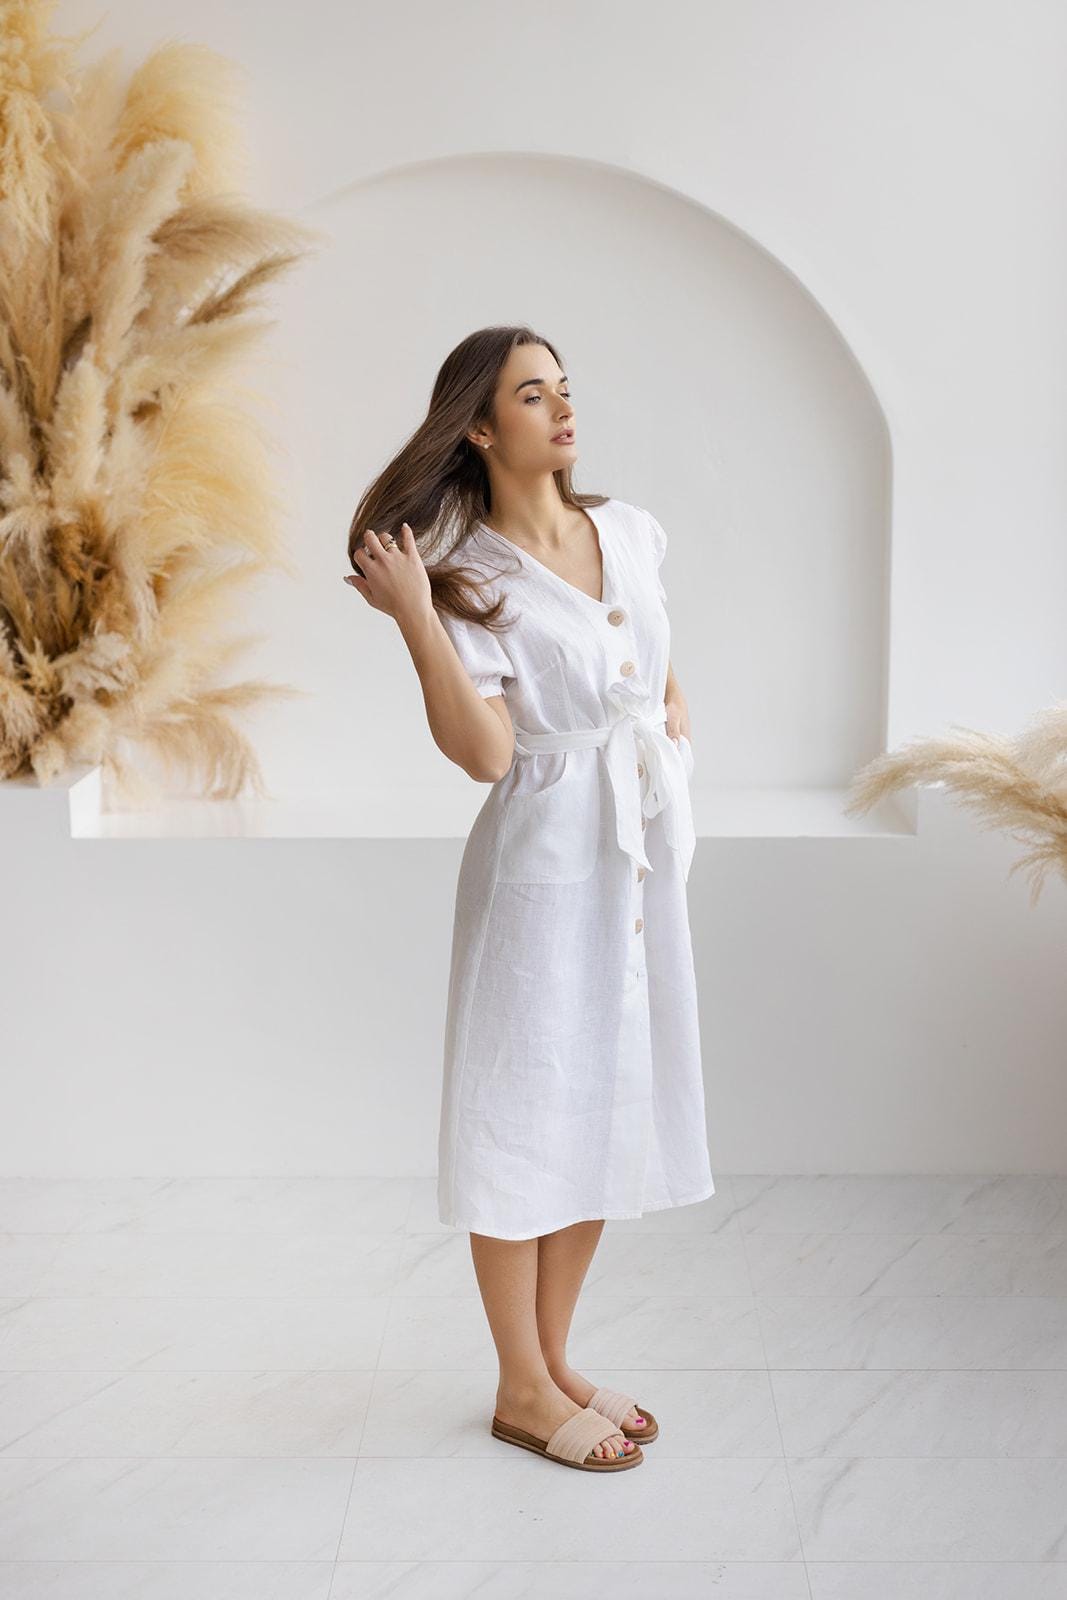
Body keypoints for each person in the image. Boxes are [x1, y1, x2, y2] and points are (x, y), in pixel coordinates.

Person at [344, 325, 715, 1472]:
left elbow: (655, 677)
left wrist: (663, 747)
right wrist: (416, 618)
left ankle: (552, 1363)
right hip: (541, 869)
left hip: (634, 861)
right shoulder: (471, 579)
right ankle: (517, 1385)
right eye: (530, 394)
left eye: (564, 389)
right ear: (478, 424)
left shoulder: (632, 533)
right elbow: (485, 754)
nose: (560, 410)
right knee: (521, 1111)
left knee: (603, 1098)